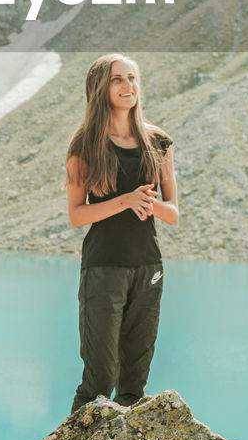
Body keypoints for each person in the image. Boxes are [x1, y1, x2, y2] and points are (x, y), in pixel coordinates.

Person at [67, 53, 178, 414]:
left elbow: (172, 213)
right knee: (99, 382)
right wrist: (125, 201)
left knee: (134, 383)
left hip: (148, 268)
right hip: (103, 268)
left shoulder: (158, 141)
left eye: (132, 78)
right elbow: (77, 215)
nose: (128, 86)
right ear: (101, 87)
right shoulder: (84, 144)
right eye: (118, 79)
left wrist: (148, 205)